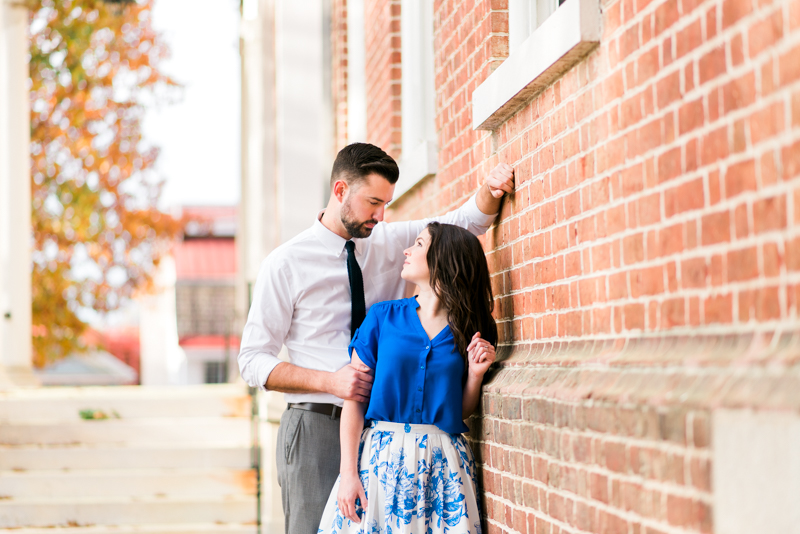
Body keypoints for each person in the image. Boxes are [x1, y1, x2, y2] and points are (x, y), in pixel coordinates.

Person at [238, 142, 514, 534]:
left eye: (385, 204)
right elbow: (251, 361)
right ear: (340, 191)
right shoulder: (285, 264)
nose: (380, 216)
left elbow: (460, 228)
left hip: (385, 432)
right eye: (372, 203)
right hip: (317, 422)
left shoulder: (385, 240)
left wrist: (491, 189)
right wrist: (331, 381)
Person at [318, 222, 497, 534]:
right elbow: (354, 400)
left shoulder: (469, 327)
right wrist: (349, 473)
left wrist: (475, 376)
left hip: (443, 465)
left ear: (443, 257)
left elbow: (461, 410)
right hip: (381, 460)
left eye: (418, 244)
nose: (407, 250)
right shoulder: (382, 317)